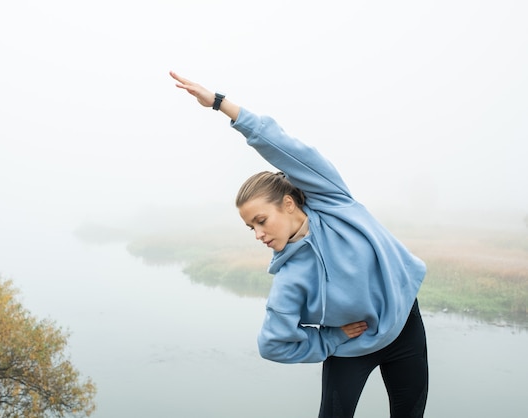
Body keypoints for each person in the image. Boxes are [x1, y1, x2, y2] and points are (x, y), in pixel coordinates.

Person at [170, 71, 429, 418]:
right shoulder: (290, 277)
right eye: (250, 228)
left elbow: (280, 144)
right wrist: (329, 340)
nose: (258, 234)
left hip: (405, 325)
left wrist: (220, 104)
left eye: (260, 221)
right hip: (351, 345)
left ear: (289, 204)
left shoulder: (333, 201)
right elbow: (272, 344)